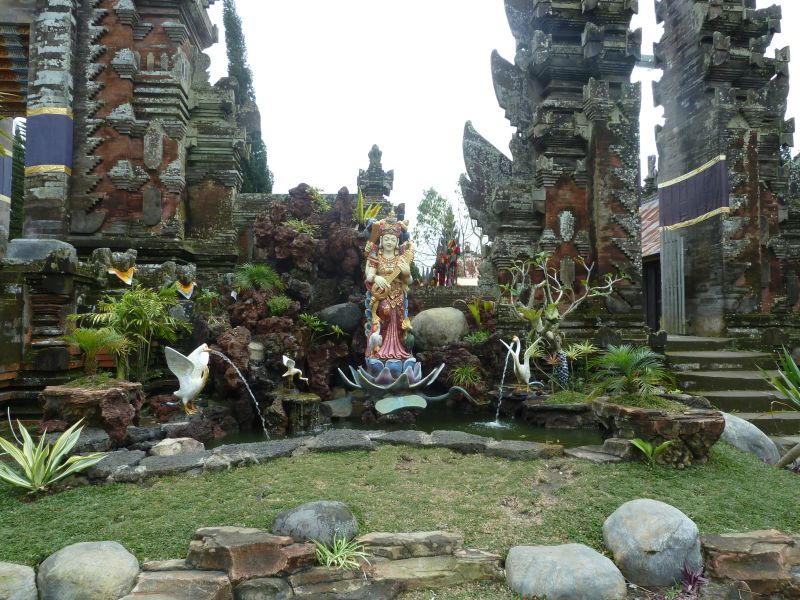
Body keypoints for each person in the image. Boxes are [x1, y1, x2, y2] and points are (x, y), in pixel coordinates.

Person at [364, 209, 414, 360]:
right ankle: (379, 351)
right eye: (386, 239)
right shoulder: (376, 256)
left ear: (397, 241)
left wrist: (407, 273)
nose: (389, 242)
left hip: (398, 295)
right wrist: (376, 278)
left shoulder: (401, 258)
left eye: (392, 239)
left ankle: (399, 352)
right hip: (382, 295)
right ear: (381, 240)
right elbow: (369, 275)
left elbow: (409, 281)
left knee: (399, 323)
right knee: (384, 316)